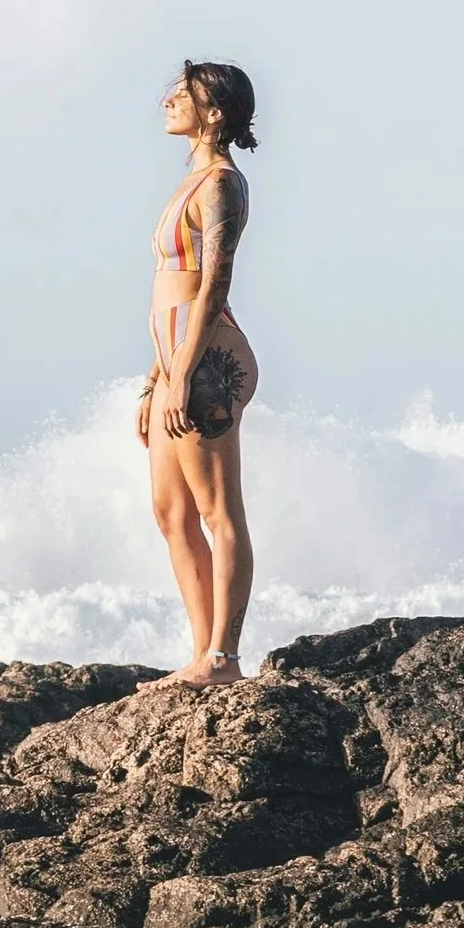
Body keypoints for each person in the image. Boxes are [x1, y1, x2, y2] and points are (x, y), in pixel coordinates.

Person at [137, 61, 259, 685]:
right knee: (171, 513)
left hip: (207, 359)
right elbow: (168, 295)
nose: (169, 99)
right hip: (177, 361)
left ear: (214, 113)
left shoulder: (221, 184)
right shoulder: (191, 180)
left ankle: (223, 657)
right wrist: (155, 379)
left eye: (183, 94)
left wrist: (183, 372)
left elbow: (213, 285)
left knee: (217, 510)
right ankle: (200, 652)